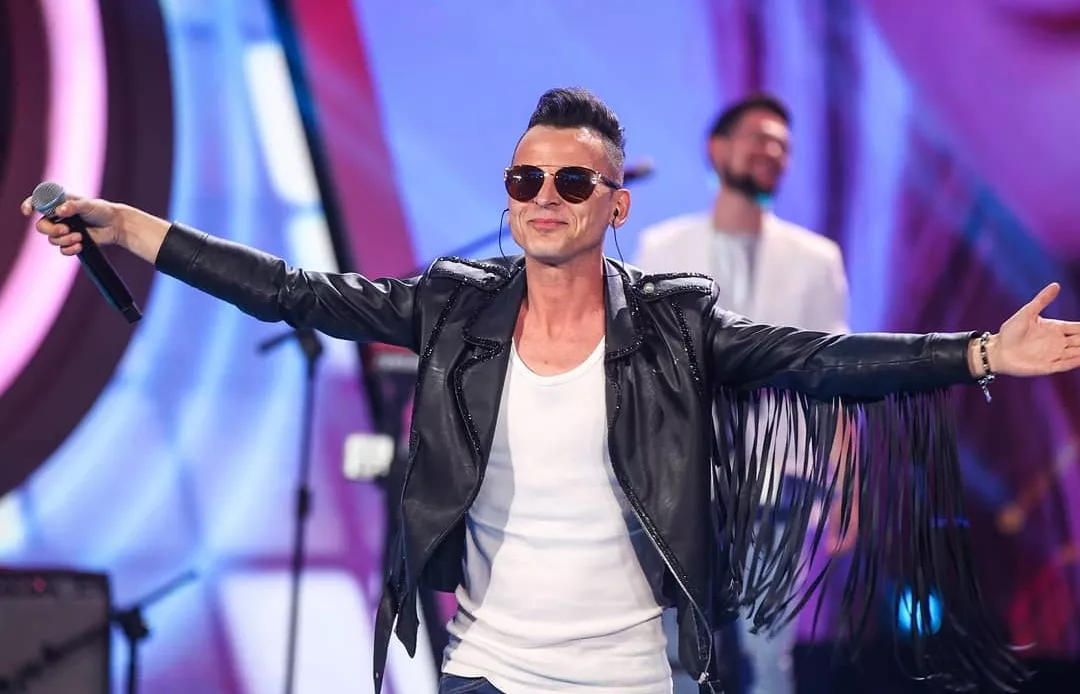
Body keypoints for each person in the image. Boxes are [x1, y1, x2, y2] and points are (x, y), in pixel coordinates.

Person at [23, 87, 1080, 694]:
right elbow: (294, 290)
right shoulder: (454, 306)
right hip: (487, 669)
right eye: (525, 179)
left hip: (634, 676)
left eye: (572, 181)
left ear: (616, 204)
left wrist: (981, 353)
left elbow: (820, 358)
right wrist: (131, 226)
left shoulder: (673, 324)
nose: (543, 198)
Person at [634, 93, 852, 694]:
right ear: (718, 148)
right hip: (683, 478)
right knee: (678, 649)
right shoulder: (663, 248)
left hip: (779, 477)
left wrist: (844, 485)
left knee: (768, 650)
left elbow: (834, 375)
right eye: (759, 138)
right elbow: (643, 370)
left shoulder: (816, 259)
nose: (772, 151)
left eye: (782, 145)